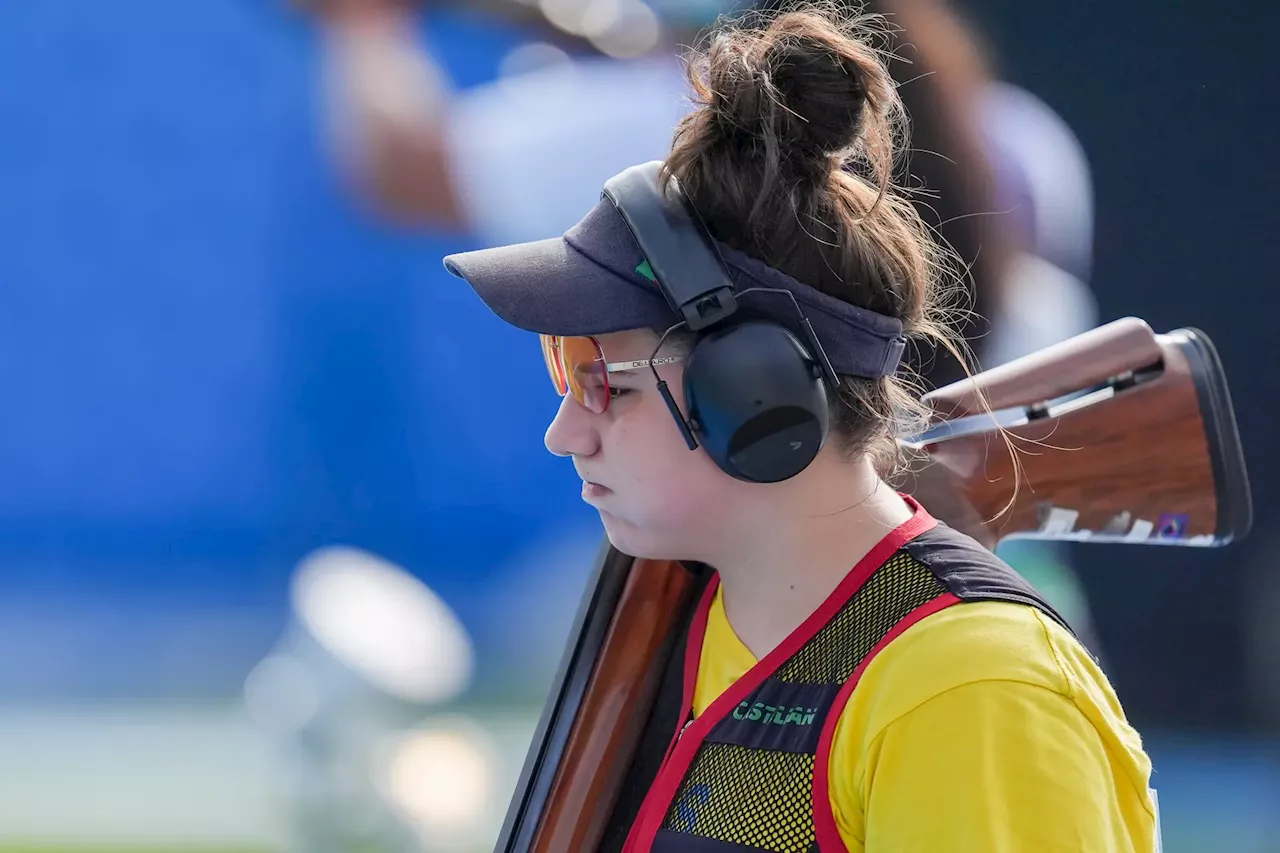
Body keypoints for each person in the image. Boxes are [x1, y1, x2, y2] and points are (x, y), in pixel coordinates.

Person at [441, 6, 1159, 850]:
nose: (565, 432)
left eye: (606, 381)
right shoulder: (698, 616)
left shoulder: (969, 686)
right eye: (567, 365)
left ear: (751, 388)